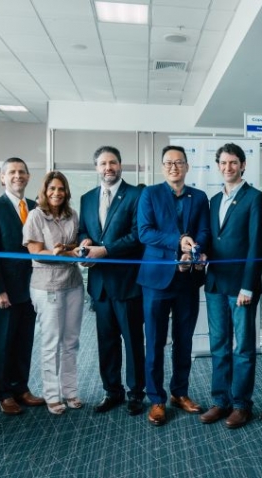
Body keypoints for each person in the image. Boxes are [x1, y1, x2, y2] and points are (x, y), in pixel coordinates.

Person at [137, 145, 209, 426]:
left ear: (187, 166)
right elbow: (145, 232)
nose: (173, 167)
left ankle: (180, 392)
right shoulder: (150, 194)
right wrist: (179, 242)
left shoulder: (199, 197)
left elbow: (203, 230)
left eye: (179, 162)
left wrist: (195, 247)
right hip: (156, 279)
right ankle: (156, 399)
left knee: (184, 340)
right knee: (154, 341)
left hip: (187, 279)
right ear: (162, 167)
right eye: (168, 163)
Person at [201, 143, 262, 429]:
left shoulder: (255, 199)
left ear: (242, 165)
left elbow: (256, 244)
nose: (228, 167)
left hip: (241, 287)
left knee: (243, 348)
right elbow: (212, 239)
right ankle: (221, 400)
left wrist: (248, 286)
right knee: (218, 345)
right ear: (218, 166)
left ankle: (241, 404)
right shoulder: (214, 200)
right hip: (215, 283)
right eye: (223, 163)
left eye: (233, 163)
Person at [78, 146, 146, 416]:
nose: (109, 168)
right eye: (103, 163)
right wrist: (85, 243)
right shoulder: (86, 198)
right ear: (96, 168)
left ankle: (136, 393)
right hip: (100, 284)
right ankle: (112, 391)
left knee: (132, 341)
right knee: (106, 342)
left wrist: (104, 251)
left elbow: (137, 235)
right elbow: (85, 229)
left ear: (121, 165)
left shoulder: (137, 195)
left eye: (113, 162)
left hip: (128, 283)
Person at [0, 157, 44, 415]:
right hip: (3, 291)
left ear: (28, 177)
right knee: (3, 343)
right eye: (12, 172)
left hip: (31, 288)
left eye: (22, 172)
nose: (18, 176)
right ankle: (4, 393)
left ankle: (21, 388)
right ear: (2, 177)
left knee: (24, 341)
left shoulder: (34, 206)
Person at [23, 171, 84, 415]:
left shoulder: (72, 214)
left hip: (73, 283)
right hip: (47, 285)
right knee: (51, 342)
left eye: (61, 189)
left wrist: (67, 249)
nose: (57, 193)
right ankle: (51, 395)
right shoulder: (36, 216)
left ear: (66, 192)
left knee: (71, 341)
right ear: (45, 191)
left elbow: (74, 244)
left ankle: (70, 391)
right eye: (52, 189)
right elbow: (36, 252)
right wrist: (65, 253)